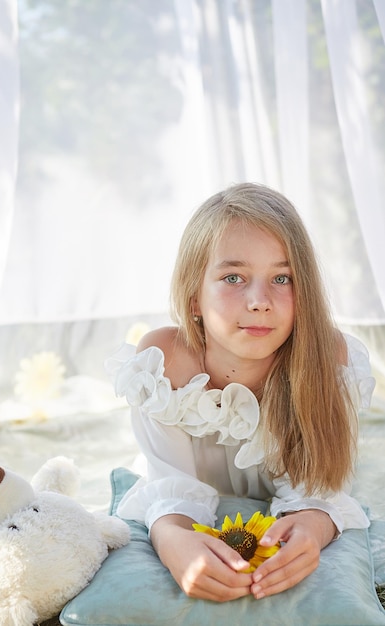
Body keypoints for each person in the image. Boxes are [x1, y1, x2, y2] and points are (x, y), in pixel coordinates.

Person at [107, 182, 375, 603]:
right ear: (194, 297)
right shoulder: (163, 362)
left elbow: (323, 484)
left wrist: (313, 525)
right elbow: (169, 483)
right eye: (234, 277)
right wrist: (172, 539)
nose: (259, 301)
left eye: (281, 278)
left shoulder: (330, 360)